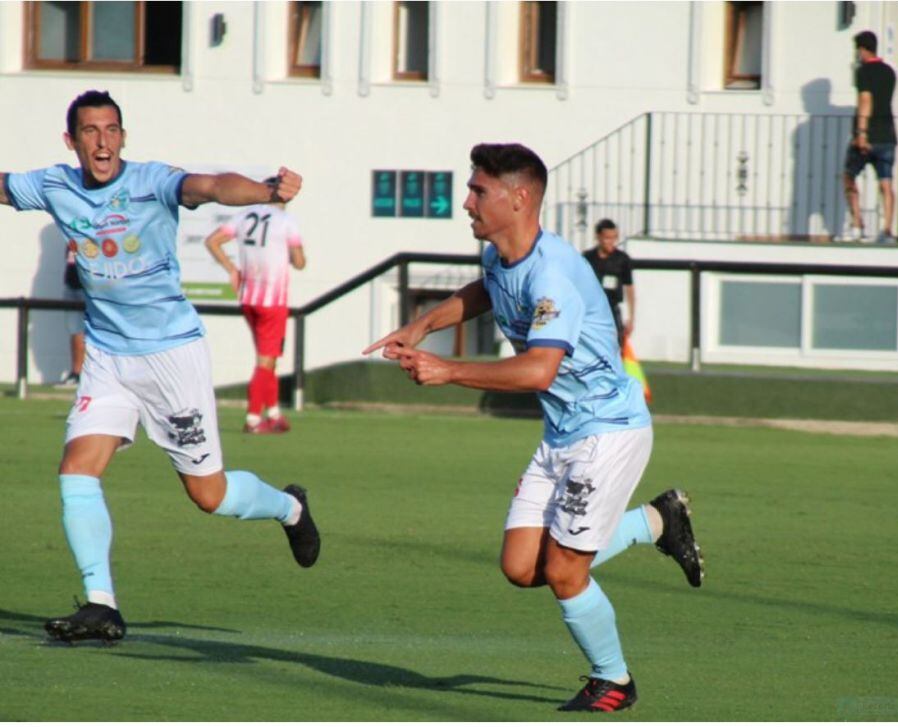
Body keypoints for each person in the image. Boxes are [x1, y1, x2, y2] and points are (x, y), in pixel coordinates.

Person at [364, 143, 703, 712]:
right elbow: (484, 291)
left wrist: (449, 371)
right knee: (522, 569)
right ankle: (656, 520)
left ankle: (613, 680)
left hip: (608, 431)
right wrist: (423, 324)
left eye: (478, 191)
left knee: (566, 573)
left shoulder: (553, 274)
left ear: (518, 198)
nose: (466, 202)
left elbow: (539, 368)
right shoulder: (502, 254)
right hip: (563, 433)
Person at [0, 90, 320, 644]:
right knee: (76, 469)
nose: (102, 141)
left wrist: (267, 190)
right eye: (90, 131)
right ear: (71, 140)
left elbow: (211, 186)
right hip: (106, 357)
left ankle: (289, 507)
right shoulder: (53, 184)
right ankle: (101, 603)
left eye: (111, 130)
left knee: (209, 497)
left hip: (172, 357)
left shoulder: (151, 181)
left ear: (124, 136)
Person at [205, 193, 307, 433]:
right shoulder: (284, 220)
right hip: (272, 300)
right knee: (265, 360)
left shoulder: (244, 215)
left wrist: (232, 268)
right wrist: (292, 254)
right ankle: (253, 418)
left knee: (268, 357)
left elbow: (212, 241)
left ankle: (274, 414)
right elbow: (300, 262)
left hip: (248, 297)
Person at [835, 30, 897, 244]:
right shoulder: (890, 72)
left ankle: (857, 225)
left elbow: (865, 100)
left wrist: (861, 133)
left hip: (868, 135)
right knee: (886, 183)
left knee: (849, 176)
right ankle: (887, 229)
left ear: (862, 49)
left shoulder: (863, 72)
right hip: (888, 134)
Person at [583, 219, 634, 348]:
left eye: (614, 238)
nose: (611, 242)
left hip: (612, 309)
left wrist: (631, 318)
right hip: (591, 311)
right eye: (607, 238)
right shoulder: (587, 258)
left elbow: (629, 288)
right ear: (598, 237)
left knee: (615, 345)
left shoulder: (622, 259)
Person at [56, 248, 85, 388]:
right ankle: (76, 373)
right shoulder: (69, 234)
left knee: (93, 332)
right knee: (75, 331)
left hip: (89, 287)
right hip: (71, 284)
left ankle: (87, 374)